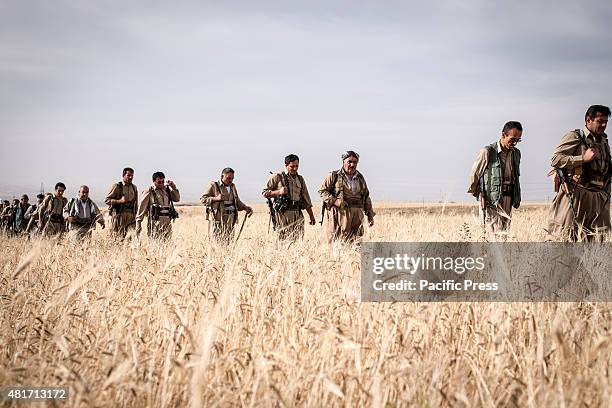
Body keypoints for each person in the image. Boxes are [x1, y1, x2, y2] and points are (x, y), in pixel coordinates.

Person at [547, 105, 611, 241]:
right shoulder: (575, 136)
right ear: (588, 120)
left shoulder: (604, 141)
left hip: (598, 196)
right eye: (600, 121)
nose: (604, 125)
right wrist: (583, 158)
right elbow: (555, 159)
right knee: (566, 236)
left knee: (597, 239)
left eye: (606, 121)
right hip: (577, 194)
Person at [468, 121, 523, 239]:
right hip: (491, 200)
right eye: (512, 139)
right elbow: (474, 175)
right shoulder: (487, 151)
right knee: (492, 234)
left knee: (504, 234)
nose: (515, 143)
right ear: (503, 135)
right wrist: (479, 195)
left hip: (509, 197)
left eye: (518, 140)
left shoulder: (516, 154)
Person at [318, 150, 375, 243]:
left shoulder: (360, 177)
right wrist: (335, 201)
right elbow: (322, 191)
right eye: (349, 162)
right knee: (338, 241)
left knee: (357, 242)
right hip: (340, 214)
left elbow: (366, 196)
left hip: (357, 214)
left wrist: (370, 215)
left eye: (355, 162)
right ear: (343, 162)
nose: (352, 165)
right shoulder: (333, 176)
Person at [262, 154, 316, 241]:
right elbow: (264, 192)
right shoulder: (277, 177)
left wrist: (311, 216)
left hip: (297, 214)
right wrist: (278, 192)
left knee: (298, 241)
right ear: (286, 165)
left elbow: (306, 199)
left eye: (296, 166)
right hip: (282, 214)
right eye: (292, 166)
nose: (295, 168)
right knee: (283, 241)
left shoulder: (300, 179)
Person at [200, 167, 253, 243]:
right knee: (218, 243)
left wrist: (245, 207)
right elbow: (203, 199)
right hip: (218, 221)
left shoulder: (233, 187)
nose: (230, 180)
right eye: (228, 178)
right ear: (222, 177)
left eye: (232, 178)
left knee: (229, 244)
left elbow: (237, 201)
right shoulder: (214, 185)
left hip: (230, 222)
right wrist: (216, 198)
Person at [135, 172, 180, 240]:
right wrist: (138, 224)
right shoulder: (149, 192)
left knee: (167, 246)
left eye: (163, 182)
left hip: (167, 223)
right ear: (154, 181)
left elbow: (177, 199)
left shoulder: (166, 190)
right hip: (155, 224)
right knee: (155, 245)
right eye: (159, 182)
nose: (161, 184)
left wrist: (173, 187)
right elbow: (141, 208)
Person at [105, 167, 138, 239]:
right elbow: (107, 200)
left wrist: (136, 216)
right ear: (123, 175)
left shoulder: (134, 188)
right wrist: (120, 201)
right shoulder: (117, 186)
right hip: (119, 216)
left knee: (130, 238)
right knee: (118, 238)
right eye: (128, 175)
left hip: (131, 217)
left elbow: (136, 203)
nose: (130, 177)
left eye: (132, 175)